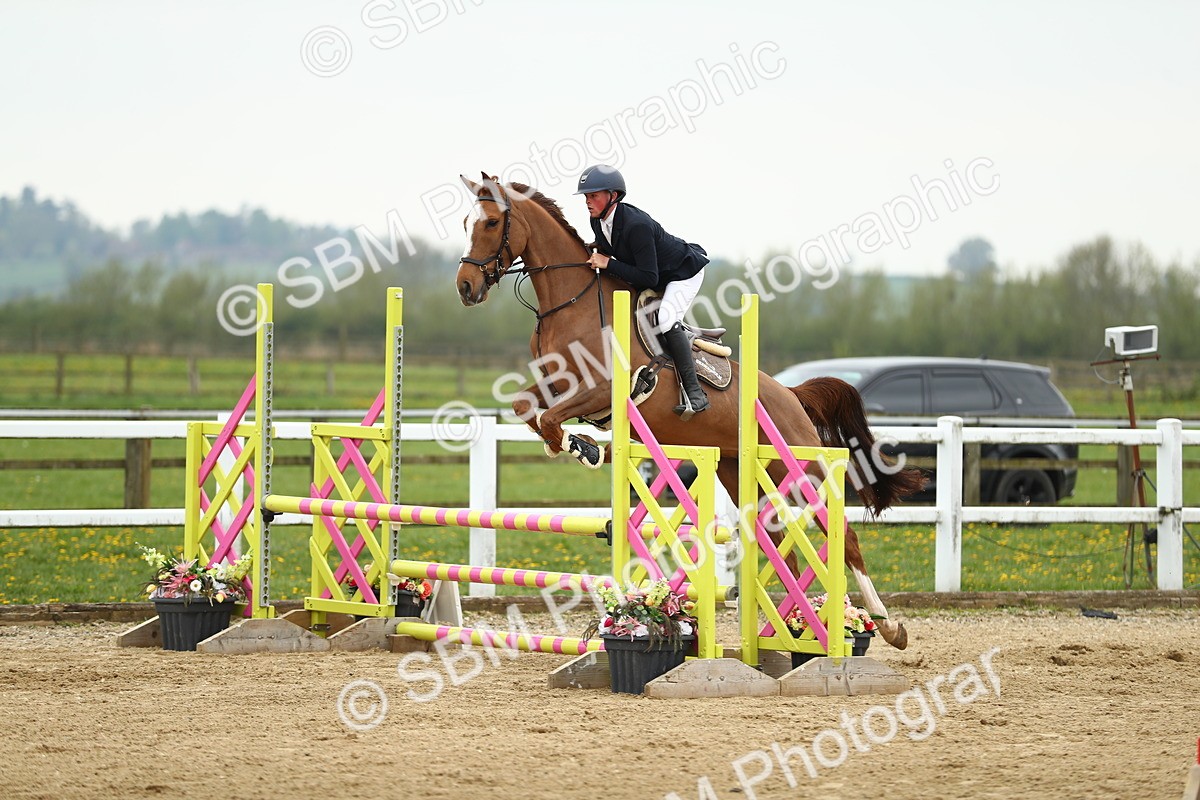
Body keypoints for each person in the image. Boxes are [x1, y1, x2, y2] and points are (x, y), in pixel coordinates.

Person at [575, 164, 710, 417]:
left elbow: (649, 276)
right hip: (657, 276)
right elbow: (607, 248)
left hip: (682, 273)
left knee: (667, 319)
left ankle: (695, 393)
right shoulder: (598, 221)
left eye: (593, 195)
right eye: (586, 196)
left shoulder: (637, 225)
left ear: (613, 196)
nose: (588, 201)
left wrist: (609, 263)